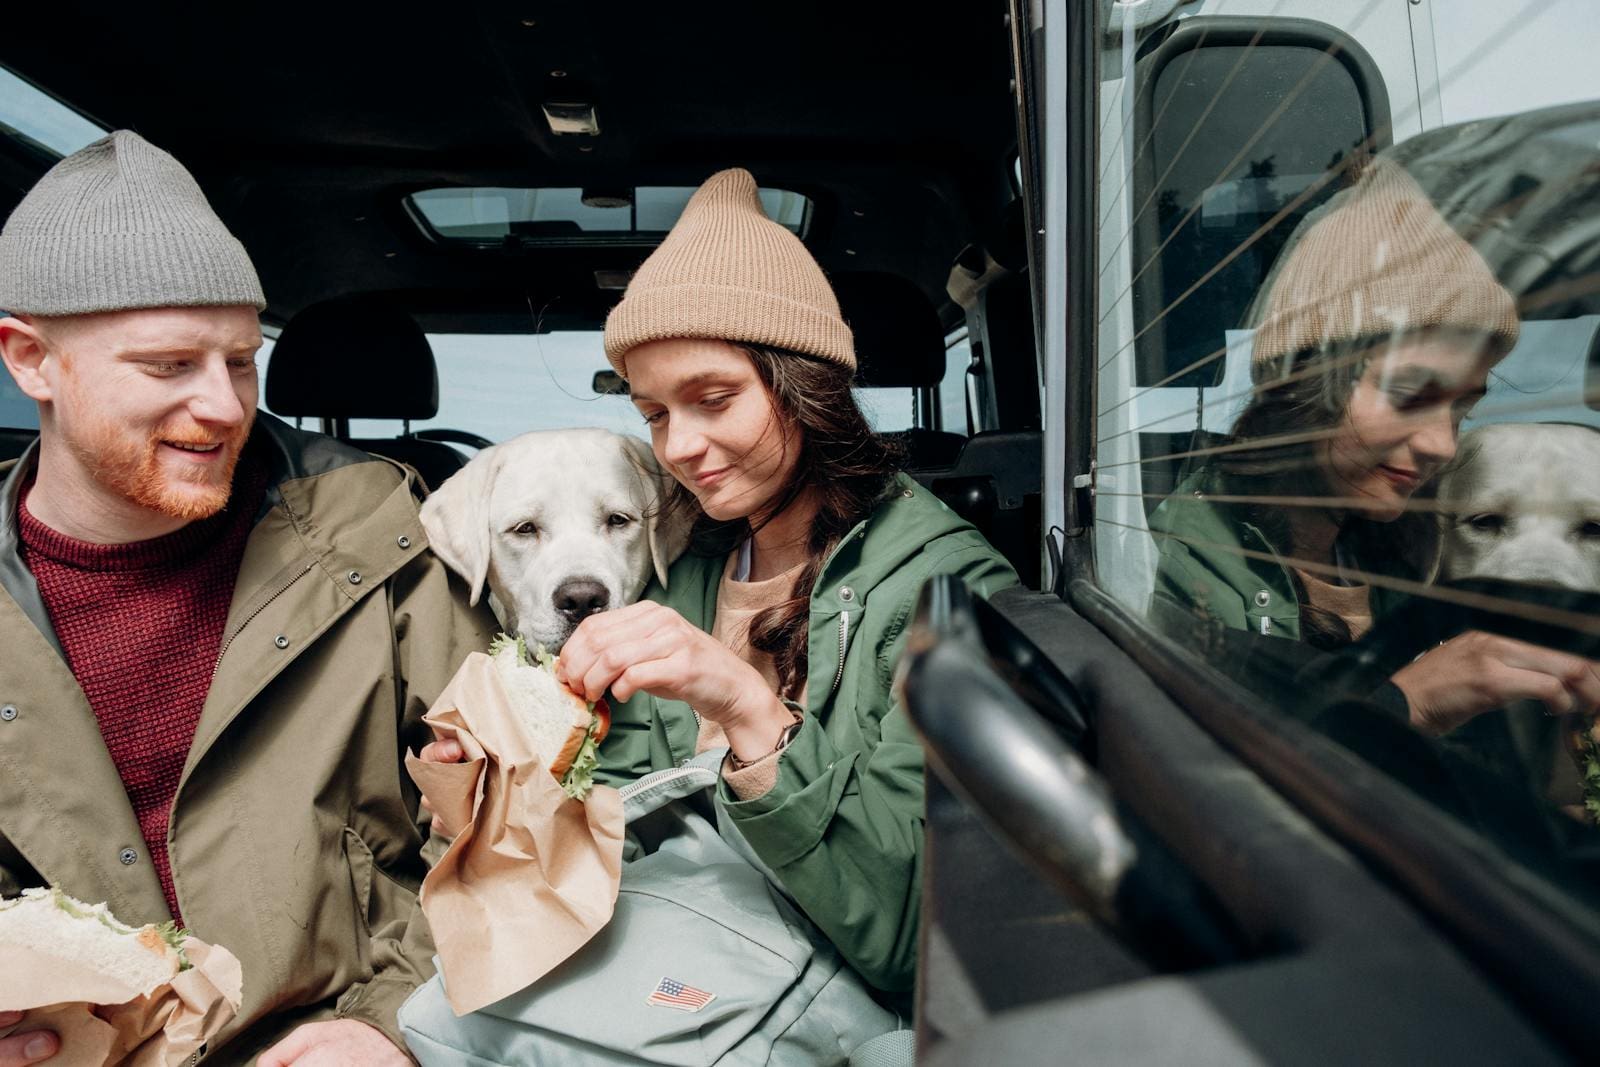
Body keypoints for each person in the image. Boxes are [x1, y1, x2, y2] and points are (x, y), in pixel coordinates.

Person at [423, 168, 1017, 995]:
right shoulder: (677, 570)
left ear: (805, 385)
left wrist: (744, 705)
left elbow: (912, 931)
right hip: (656, 974)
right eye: (656, 413)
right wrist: (491, 788)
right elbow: (610, 834)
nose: (680, 449)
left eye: (714, 398)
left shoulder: (948, 586)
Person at [0, 132, 494, 1065]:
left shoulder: (387, 544)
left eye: (239, 360)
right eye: (168, 366)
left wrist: (397, 1021)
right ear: (32, 362)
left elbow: (517, 824)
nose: (226, 405)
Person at [1148, 157, 1600, 739]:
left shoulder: (1395, 545)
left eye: (1464, 405)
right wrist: (1410, 703)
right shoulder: (1181, 561)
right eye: (1410, 395)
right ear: (1303, 383)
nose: (1442, 443)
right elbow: (1204, 774)